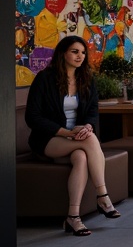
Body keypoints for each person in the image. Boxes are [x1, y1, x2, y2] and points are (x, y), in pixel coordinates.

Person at [25, 35, 121, 236]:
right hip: (49, 138)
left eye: (83, 52)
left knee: (81, 157)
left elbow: (93, 111)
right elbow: (32, 117)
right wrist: (66, 132)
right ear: (63, 53)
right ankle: (102, 195)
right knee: (89, 141)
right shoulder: (45, 78)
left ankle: (73, 217)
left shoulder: (86, 78)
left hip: (77, 140)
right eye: (75, 52)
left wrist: (87, 125)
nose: (80, 56)